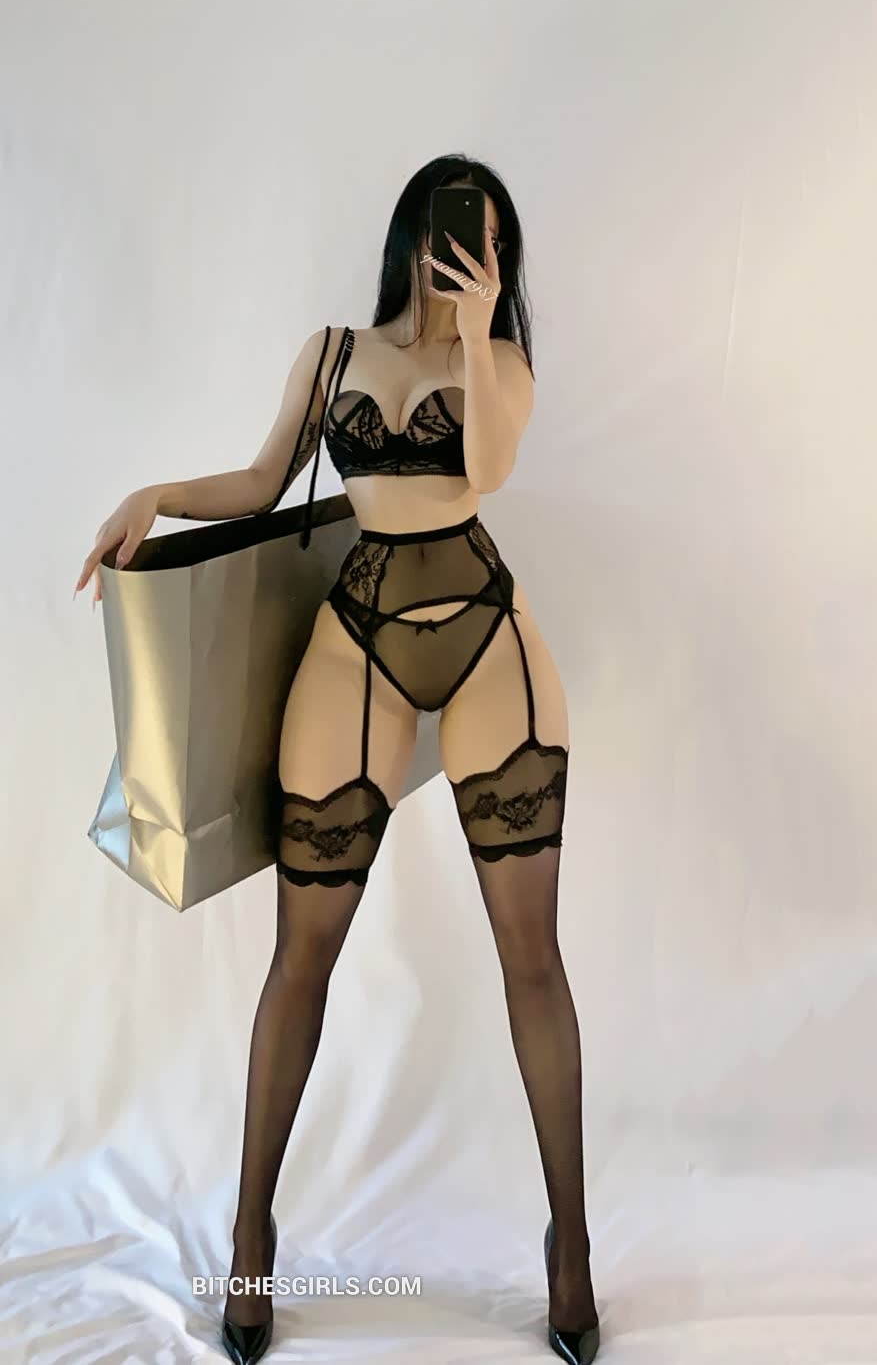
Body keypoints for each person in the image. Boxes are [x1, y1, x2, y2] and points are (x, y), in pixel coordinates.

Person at [75, 153, 600, 1365]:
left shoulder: (504, 365)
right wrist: (154, 494)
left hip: (489, 637)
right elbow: (265, 480)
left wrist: (479, 330)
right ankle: (250, 1232)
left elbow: (487, 471)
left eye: (487, 238)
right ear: (409, 235)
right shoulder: (329, 354)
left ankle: (570, 1243)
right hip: (358, 636)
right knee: (301, 953)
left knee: (531, 955)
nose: (464, 253)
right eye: (450, 232)